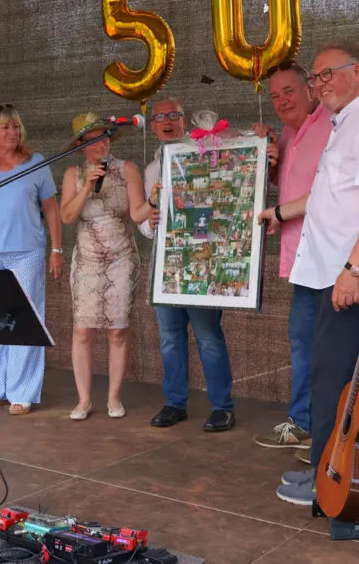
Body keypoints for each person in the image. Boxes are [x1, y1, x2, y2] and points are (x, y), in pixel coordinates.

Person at [258, 40, 359, 506]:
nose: (320, 85)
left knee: (338, 380)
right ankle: (326, 468)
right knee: (327, 376)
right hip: (329, 271)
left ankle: (337, 484)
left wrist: (354, 269)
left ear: (357, 71)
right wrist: (279, 212)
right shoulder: (347, 122)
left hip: (350, 275)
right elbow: (331, 197)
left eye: (327, 75)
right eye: (317, 77)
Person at [251, 61, 333, 461]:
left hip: (332, 258)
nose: (282, 100)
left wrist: (280, 212)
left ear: (310, 90)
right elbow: (280, 186)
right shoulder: (287, 133)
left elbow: (327, 193)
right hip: (300, 258)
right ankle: (303, 423)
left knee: (328, 346)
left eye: (288, 91)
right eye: (275, 95)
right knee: (301, 341)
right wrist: (263, 159)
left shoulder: (333, 126)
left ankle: (330, 433)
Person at [139, 97, 236, 433]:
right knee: (169, 337)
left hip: (199, 263)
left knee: (208, 336)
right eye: (160, 117)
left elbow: (222, 195)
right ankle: (175, 402)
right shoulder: (151, 168)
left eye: (174, 115)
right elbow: (141, 220)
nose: (167, 121)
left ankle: (222, 406)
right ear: (152, 126)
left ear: (184, 121)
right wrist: (150, 222)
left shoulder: (205, 152)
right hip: (164, 267)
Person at [0, 104, 63, 415]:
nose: (12, 132)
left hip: (27, 251)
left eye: (16, 126)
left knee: (24, 319)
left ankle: (23, 391)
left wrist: (56, 250)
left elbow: (52, 210)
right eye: (5, 127)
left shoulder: (36, 162)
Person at [60, 112, 159, 421]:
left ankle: (114, 397)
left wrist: (154, 202)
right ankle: (84, 399)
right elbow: (66, 217)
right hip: (87, 259)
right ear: (80, 146)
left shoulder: (126, 168)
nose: (98, 146)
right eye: (90, 141)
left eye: (102, 138)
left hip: (121, 258)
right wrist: (86, 187)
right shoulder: (73, 174)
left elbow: (137, 214)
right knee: (82, 330)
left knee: (117, 331)